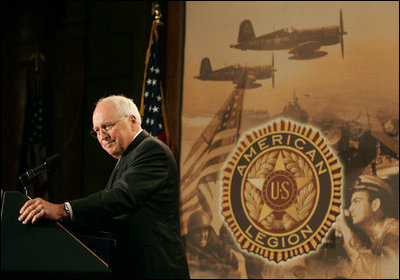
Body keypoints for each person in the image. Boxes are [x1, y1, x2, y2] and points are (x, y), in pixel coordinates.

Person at [18, 95, 190, 279]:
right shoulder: (128, 157)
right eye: (96, 131)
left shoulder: (151, 151)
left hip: (156, 270)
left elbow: (120, 198)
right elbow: (111, 217)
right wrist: (60, 224)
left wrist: (63, 210)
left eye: (107, 126)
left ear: (132, 121)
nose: (102, 136)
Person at [334, 174, 399, 278]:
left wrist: (345, 229)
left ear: (375, 205)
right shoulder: (373, 240)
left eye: (357, 201)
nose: (350, 209)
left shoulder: (394, 233)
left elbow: (382, 274)